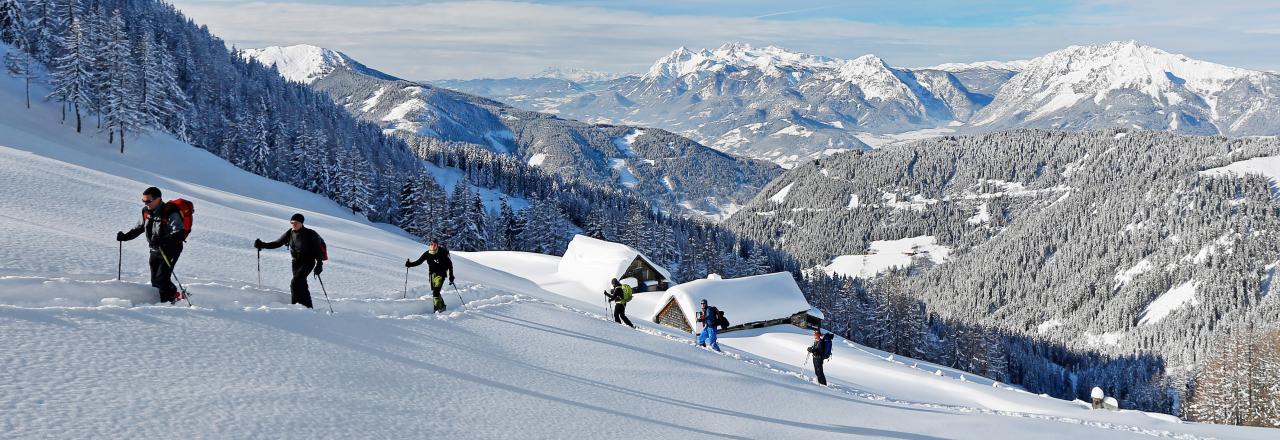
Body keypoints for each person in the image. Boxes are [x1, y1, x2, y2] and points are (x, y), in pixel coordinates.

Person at [116, 187, 186, 303]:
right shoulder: (145, 212)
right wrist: (125, 237)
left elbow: (179, 233)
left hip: (171, 249)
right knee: (155, 280)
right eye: (143, 201)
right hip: (154, 249)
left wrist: (163, 240)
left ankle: (169, 302)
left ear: (158, 199)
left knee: (162, 278)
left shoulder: (169, 212)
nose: (145, 203)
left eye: (148, 201)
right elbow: (139, 228)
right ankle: (171, 297)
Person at [254, 213, 325, 308]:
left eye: (296, 222)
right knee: (301, 284)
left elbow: (318, 250)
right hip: (296, 262)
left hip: (308, 261)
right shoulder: (290, 233)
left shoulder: (310, 233)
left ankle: (295, 306)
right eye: (291, 222)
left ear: (301, 223)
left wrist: (319, 264)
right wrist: (262, 244)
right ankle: (307, 307)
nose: (293, 224)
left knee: (295, 283)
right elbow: (277, 243)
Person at [406, 240, 454, 313]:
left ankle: (438, 310)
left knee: (436, 292)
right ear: (429, 245)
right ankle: (443, 306)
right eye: (431, 244)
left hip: (441, 275)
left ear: (437, 245)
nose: (433, 245)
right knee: (435, 292)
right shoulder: (427, 253)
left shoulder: (442, 253)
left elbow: (450, 265)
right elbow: (419, 262)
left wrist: (451, 276)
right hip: (432, 275)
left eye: (435, 244)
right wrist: (410, 264)